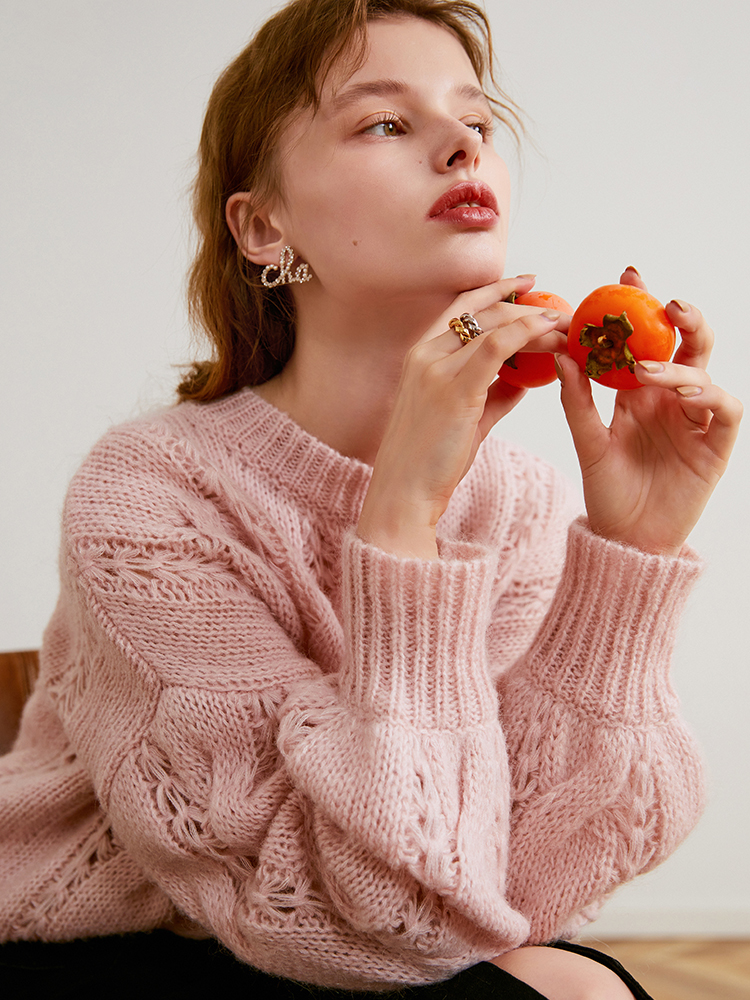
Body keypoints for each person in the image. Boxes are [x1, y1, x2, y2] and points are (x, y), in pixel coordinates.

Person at [0, 0, 742, 997]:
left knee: (576, 980)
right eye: (386, 121)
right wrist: (398, 525)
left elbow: (521, 887)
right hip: (115, 943)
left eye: (475, 121)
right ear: (264, 227)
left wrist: (630, 559)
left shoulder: (515, 500)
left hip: (368, 939)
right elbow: (357, 918)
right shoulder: (150, 494)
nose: (462, 147)